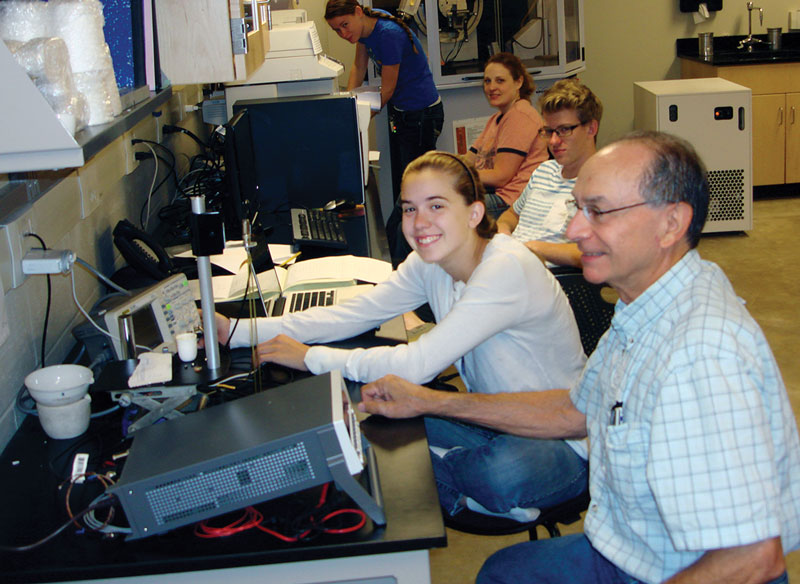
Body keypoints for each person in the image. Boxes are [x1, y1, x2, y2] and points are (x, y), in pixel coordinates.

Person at [359, 131, 800, 584]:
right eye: (578, 208)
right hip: (626, 547)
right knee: (502, 573)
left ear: (671, 223)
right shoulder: (644, 306)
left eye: (599, 212)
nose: (573, 230)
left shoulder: (701, 354)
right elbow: (576, 409)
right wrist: (431, 402)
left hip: (672, 571)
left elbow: (752, 559)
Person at [215, 151, 587, 520]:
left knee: (497, 474)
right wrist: (236, 332)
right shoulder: (432, 261)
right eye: (409, 209)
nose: (419, 222)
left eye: (436, 206)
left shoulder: (506, 267)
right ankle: (464, 488)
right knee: (372, 424)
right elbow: (355, 314)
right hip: (487, 418)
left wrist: (310, 357)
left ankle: (465, 487)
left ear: (474, 213)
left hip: (560, 438)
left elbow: (417, 365)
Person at [325, 0, 444, 265]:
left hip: (421, 115)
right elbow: (357, 68)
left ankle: (401, 260)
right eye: (336, 30)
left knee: (413, 192)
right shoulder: (366, 30)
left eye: (345, 25)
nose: (343, 34)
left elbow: (387, 90)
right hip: (405, 113)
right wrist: (347, 102)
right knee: (408, 189)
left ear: (358, 12)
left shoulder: (388, 34)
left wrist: (354, 119)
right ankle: (406, 257)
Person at [496, 78, 602, 268]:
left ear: (591, 128)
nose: (553, 141)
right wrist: (502, 231)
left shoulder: (605, 184)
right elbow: (511, 215)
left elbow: (598, 252)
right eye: (548, 131)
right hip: (511, 266)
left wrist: (533, 249)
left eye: (563, 130)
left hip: (549, 282)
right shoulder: (544, 171)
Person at [464, 52, 548, 219]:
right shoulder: (496, 118)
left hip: (509, 201)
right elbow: (468, 159)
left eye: (500, 81)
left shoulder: (521, 116)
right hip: (491, 193)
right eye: (487, 81)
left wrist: (456, 175)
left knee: (437, 212)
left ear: (518, 82)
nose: (491, 87)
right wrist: (439, 166)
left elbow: (500, 177)